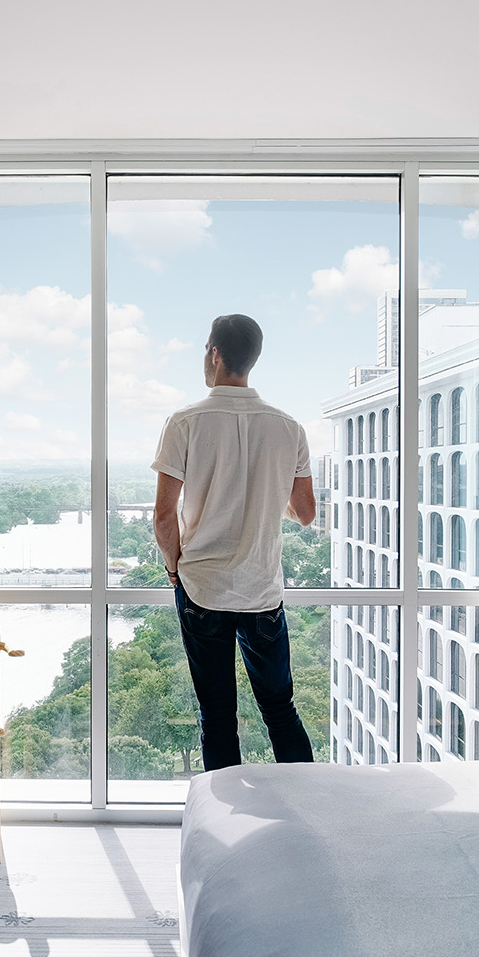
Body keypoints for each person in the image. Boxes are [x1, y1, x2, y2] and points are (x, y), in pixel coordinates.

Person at [152, 313, 317, 771]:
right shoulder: (289, 427)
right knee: (280, 710)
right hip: (261, 590)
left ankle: (226, 831)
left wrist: (173, 571)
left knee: (218, 715)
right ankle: (312, 811)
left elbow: (165, 516)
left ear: (215, 354)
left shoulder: (184, 421)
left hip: (203, 588)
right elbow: (305, 513)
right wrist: (267, 499)